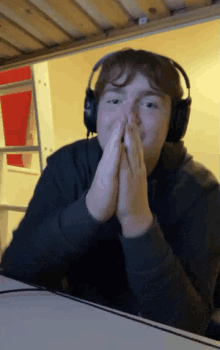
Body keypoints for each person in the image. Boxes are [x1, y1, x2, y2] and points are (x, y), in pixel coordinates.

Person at [1, 48, 220, 338]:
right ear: (93, 113)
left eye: (150, 104)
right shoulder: (68, 165)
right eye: (115, 100)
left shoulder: (201, 191)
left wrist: (137, 219)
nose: (129, 118)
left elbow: (187, 328)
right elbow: (14, 273)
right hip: (73, 326)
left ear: (175, 122)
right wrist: (90, 209)